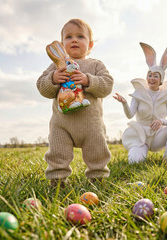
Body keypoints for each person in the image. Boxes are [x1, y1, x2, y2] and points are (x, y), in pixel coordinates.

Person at [37, 19, 114, 187]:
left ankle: (97, 178)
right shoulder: (56, 65)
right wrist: (53, 79)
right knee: (58, 152)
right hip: (62, 124)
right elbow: (42, 87)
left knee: (97, 151)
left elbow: (107, 85)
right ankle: (57, 180)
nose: (74, 40)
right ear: (61, 44)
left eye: (80, 36)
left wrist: (88, 80)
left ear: (90, 44)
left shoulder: (95, 65)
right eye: (68, 37)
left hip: (91, 124)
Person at [113, 39, 167, 165]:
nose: (151, 78)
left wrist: (162, 121)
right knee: (135, 162)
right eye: (149, 75)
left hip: (158, 136)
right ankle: (139, 152)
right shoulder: (139, 92)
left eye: (156, 76)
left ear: (161, 80)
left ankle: (166, 159)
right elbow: (130, 115)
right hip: (140, 136)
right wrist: (124, 103)